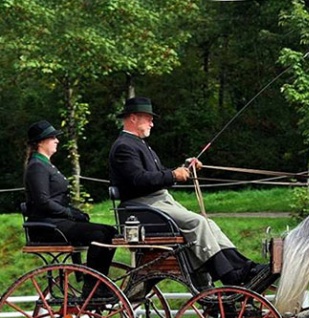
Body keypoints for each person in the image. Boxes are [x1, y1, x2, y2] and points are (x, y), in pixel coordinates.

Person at [108, 97, 264, 287]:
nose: (152, 123)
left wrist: (185, 168)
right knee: (196, 223)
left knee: (208, 223)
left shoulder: (139, 144)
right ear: (133, 118)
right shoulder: (124, 146)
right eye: (148, 118)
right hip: (143, 205)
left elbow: (159, 174)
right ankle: (230, 275)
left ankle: (244, 266)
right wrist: (174, 175)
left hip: (157, 201)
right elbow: (139, 180)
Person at [23, 120, 117, 296]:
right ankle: (93, 287)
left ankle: (99, 284)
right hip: (47, 226)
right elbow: (43, 201)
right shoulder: (37, 166)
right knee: (100, 234)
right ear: (40, 142)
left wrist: (74, 212)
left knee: (110, 232)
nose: (57, 140)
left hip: (57, 222)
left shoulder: (45, 165)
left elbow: (55, 199)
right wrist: (69, 213)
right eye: (52, 138)